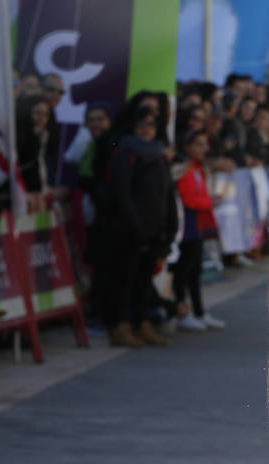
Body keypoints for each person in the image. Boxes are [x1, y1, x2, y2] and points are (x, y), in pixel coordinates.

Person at [104, 107, 177, 347]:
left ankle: (141, 323)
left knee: (145, 281)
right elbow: (122, 194)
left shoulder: (158, 155)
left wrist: (169, 227)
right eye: (141, 125)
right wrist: (135, 226)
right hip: (128, 231)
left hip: (155, 229)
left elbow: (167, 194)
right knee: (124, 279)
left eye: (150, 125)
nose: (146, 130)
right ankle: (121, 326)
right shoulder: (125, 152)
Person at [172, 129, 225, 332]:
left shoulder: (198, 167)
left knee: (194, 272)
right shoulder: (184, 169)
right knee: (184, 272)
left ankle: (199, 312)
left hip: (198, 224)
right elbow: (189, 199)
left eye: (205, 144)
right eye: (198, 144)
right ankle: (183, 313)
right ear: (187, 147)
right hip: (187, 226)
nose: (204, 148)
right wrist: (209, 202)